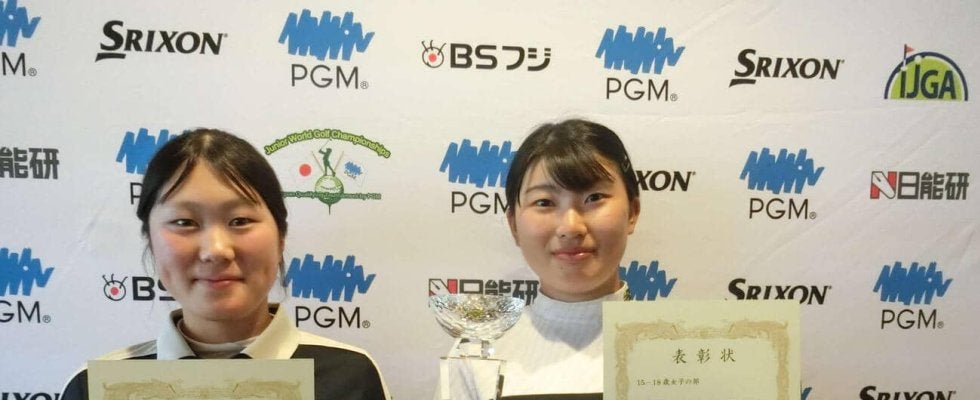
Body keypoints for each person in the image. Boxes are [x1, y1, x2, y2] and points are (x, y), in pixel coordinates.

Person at [61, 128, 390, 400]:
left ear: (280, 237)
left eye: (240, 220)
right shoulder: (94, 389)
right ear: (150, 240)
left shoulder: (350, 377)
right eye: (184, 222)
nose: (216, 250)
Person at [440, 119, 641, 399]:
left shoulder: (679, 343)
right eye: (544, 202)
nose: (571, 227)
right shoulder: (476, 352)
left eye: (594, 197)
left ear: (632, 212)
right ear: (514, 225)